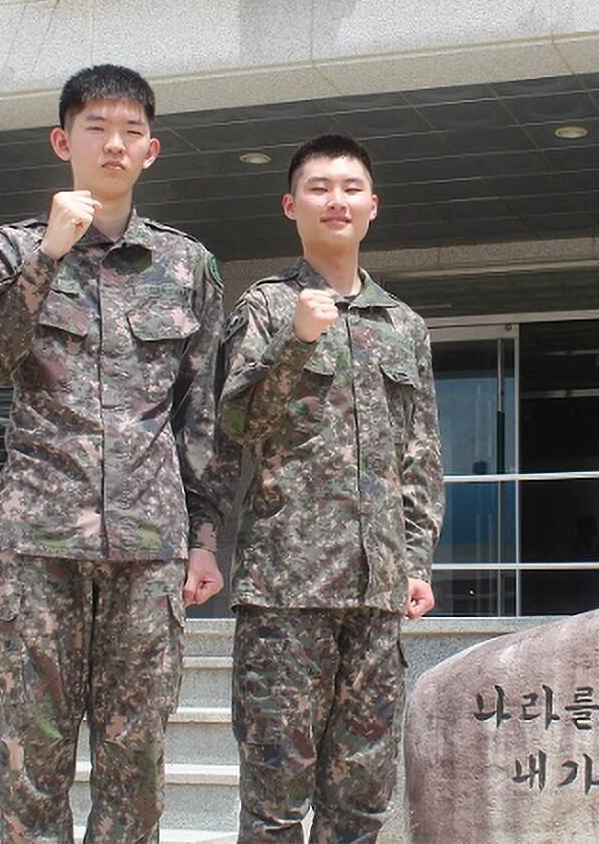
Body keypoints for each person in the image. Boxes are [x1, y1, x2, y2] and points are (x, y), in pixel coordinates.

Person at [0, 64, 225, 844]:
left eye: (131, 131)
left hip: (148, 550)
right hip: (39, 546)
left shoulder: (184, 264)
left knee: (133, 759)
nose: (114, 143)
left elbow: (197, 414)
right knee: (33, 758)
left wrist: (203, 542)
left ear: (151, 150)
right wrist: (48, 255)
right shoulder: (11, 250)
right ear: (62, 141)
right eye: (98, 128)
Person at [189, 134, 444, 844]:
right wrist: (297, 342)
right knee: (274, 807)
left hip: (374, 595)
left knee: (361, 803)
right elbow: (233, 425)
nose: (336, 200)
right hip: (285, 595)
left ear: (372, 206)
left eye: (350, 187)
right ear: (290, 205)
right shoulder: (266, 309)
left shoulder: (404, 326)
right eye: (319, 187)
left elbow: (419, 455)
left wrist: (417, 559)